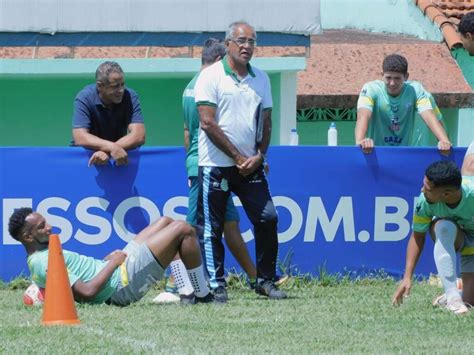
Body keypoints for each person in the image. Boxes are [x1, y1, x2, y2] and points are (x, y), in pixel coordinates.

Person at [194, 21, 286, 302]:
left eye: (252, 42)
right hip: (217, 165)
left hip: (251, 166)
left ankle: (265, 280)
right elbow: (207, 123)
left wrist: (260, 155)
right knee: (213, 228)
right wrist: (237, 157)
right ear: (228, 44)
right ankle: (216, 285)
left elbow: (266, 121)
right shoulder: (210, 76)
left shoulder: (261, 78)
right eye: (242, 41)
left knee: (268, 217)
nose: (247, 47)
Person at [8, 208, 213, 306]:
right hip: (120, 286)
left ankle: (186, 293)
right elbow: (87, 292)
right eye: (42, 226)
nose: (49, 226)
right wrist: (114, 264)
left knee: (166, 221)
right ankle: (203, 295)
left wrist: (107, 263)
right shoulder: (43, 261)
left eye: (46, 221)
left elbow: (85, 277)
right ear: (27, 237)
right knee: (183, 229)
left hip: (115, 270)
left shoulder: (42, 254)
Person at [392, 146, 474, 315]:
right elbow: (417, 237)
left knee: (470, 302)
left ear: (447, 194)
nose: (422, 190)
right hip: (459, 237)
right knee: (442, 226)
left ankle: (460, 292)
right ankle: (453, 298)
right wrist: (407, 277)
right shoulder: (424, 202)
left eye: (428, 189)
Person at [355, 54, 452, 154]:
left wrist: (444, 141)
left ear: (406, 77)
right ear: (382, 75)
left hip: (404, 154)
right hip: (376, 153)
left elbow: (429, 116)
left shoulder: (416, 90)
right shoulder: (370, 89)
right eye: (388, 78)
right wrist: (360, 141)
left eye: (397, 78)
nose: (392, 83)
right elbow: (363, 116)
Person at [71, 61, 145, 167]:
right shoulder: (84, 98)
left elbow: (139, 136)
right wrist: (112, 148)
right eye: (115, 86)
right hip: (86, 161)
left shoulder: (130, 96)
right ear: (100, 85)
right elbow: (80, 137)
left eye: (123, 84)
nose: (121, 90)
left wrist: (108, 151)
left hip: (116, 157)